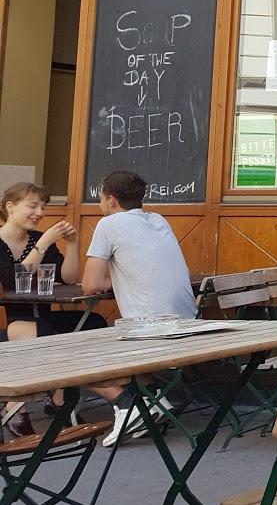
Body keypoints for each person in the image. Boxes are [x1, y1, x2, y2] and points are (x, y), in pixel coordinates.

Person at [83, 170, 196, 446]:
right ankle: (157, 402)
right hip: (189, 323)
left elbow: (89, 285)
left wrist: (114, 278)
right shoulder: (158, 220)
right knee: (127, 342)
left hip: (151, 329)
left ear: (110, 199)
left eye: (100, 197)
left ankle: (127, 405)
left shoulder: (108, 226)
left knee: (73, 358)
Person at [0, 182, 106, 436]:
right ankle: (32, 405)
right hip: (12, 321)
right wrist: (45, 241)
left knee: (93, 322)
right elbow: (12, 283)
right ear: (10, 207)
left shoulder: (37, 239)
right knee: (47, 334)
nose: (39, 212)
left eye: (43, 207)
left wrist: (72, 244)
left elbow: (67, 278)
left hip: (41, 317)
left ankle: (59, 398)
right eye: (32, 205)